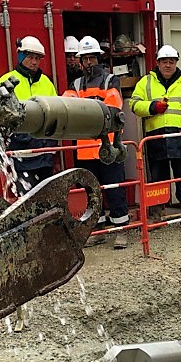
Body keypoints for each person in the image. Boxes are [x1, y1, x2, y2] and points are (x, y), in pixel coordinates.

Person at [130, 44, 181, 231]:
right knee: (158, 179)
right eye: (164, 61)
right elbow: (134, 104)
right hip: (156, 139)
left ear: (176, 63)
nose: (168, 65)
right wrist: (152, 107)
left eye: (171, 62)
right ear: (158, 63)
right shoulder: (146, 82)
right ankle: (157, 216)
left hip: (180, 139)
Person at [63, 36, 129, 249]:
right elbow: (67, 107)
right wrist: (92, 106)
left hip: (108, 147)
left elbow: (113, 106)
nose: (89, 62)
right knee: (92, 192)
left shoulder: (111, 80)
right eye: (85, 58)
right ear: (81, 61)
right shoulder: (75, 84)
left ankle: (121, 231)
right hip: (85, 149)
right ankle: (97, 230)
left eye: (92, 58)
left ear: (98, 59)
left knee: (114, 188)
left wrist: (85, 107)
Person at [0, 35, 57, 195]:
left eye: (37, 58)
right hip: (21, 155)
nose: (34, 62)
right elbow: (0, 119)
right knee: (27, 202)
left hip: (45, 155)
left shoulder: (46, 82)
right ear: (21, 56)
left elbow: (57, 113)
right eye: (30, 57)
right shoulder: (6, 81)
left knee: (46, 201)